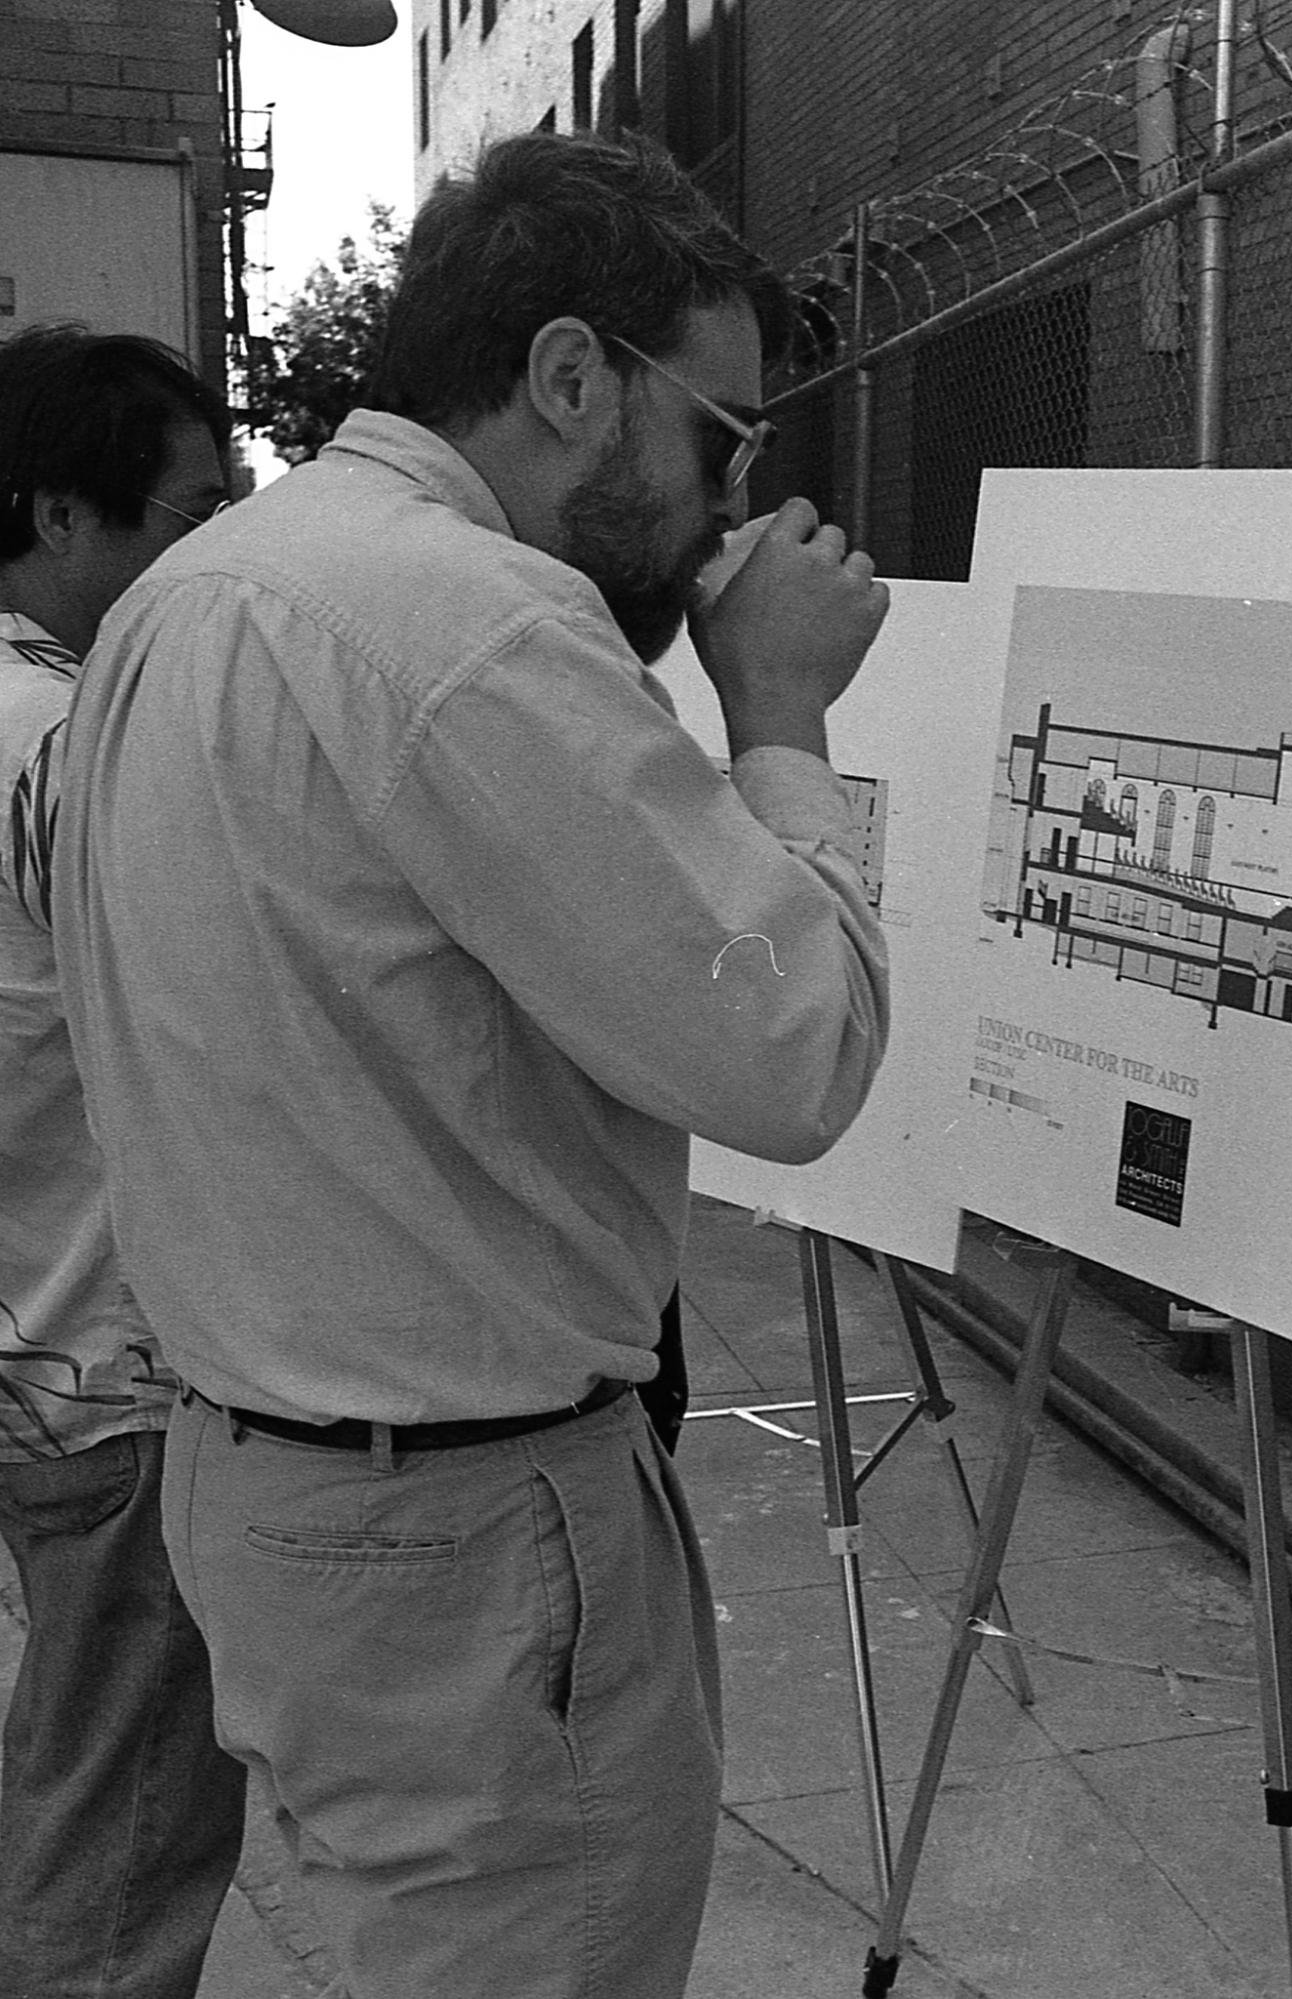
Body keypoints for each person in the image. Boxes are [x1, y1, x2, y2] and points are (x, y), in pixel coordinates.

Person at [53, 131, 891, 1999]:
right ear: (577, 377)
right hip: (465, 1544)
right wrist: (783, 716)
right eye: (726, 435)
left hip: (270, 1489)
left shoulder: (201, 592)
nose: (738, 490)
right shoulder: (475, 623)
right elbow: (797, 1046)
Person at [0, 324, 243, 1997]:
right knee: (128, 1832)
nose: (207, 555)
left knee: (63, 1782)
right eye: (180, 517)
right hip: (110, 1381)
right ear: (50, 515)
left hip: (30, 1343)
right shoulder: (68, 740)